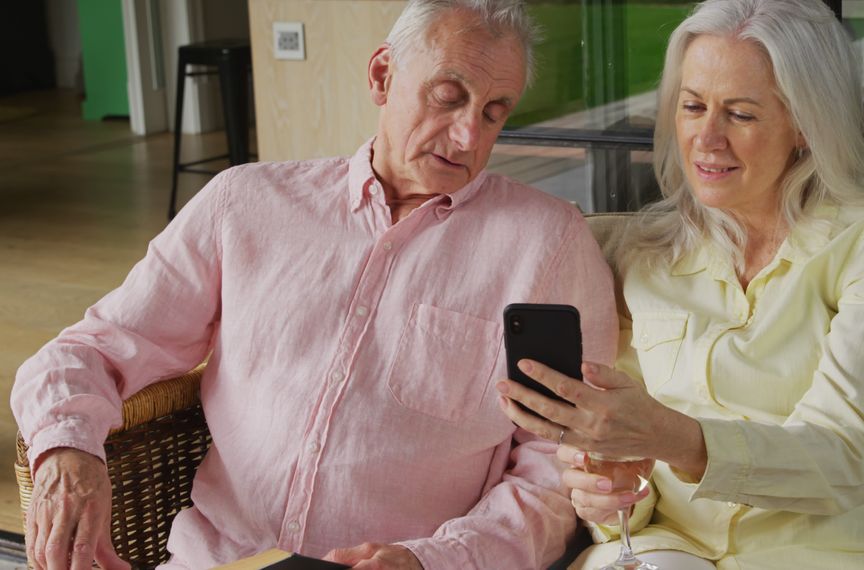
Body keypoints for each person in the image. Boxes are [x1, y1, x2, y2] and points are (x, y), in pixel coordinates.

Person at [12, 1, 617, 569]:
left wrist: (440, 559)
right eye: (448, 97)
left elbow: (558, 470)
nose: (468, 136)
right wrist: (68, 448)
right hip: (222, 558)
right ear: (382, 75)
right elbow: (93, 348)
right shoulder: (244, 204)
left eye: (493, 112)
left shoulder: (548, 243)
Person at [496, 0, 864, 568]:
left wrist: (670, 437)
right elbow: (630, 498)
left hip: (831, 550)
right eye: (692, 106)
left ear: (806, 124)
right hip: (673, 551)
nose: (706, 138)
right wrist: (609, 491)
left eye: (741, 114)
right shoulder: (641, 256)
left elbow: (847, 457)